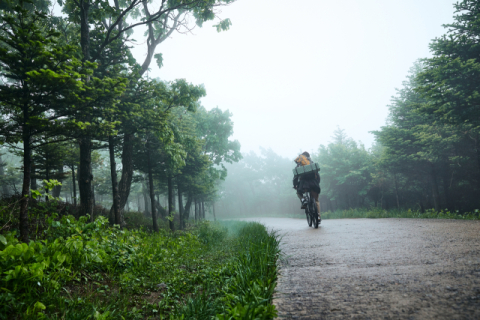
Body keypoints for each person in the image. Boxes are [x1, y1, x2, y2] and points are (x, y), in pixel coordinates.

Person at [293, 151, 321, 219]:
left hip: (304, 185)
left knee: (298, 193)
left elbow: (295, 177)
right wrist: (317, 183)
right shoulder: (312, 164)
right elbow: (318, 175)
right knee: (316, 200)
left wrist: (295, 185)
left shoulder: (299, 166)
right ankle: (318, 216)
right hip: (314, 184)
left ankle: (303, 200)